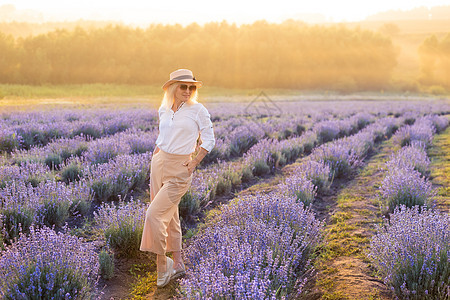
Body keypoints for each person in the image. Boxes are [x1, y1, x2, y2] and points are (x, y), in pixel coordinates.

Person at [140, 69, 215, 288]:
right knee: (169, 215)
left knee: (154, 214)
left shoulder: (198, 110)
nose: (188, 90)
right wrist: (156, 155)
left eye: (191, 87)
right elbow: (162, 136)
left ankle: (163, 264)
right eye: (184, 86)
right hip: (159, 164)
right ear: (173, 87)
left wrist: (194, 162)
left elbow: (209, 140)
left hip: (181, 168)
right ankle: (179, 263)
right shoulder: (163, 109)